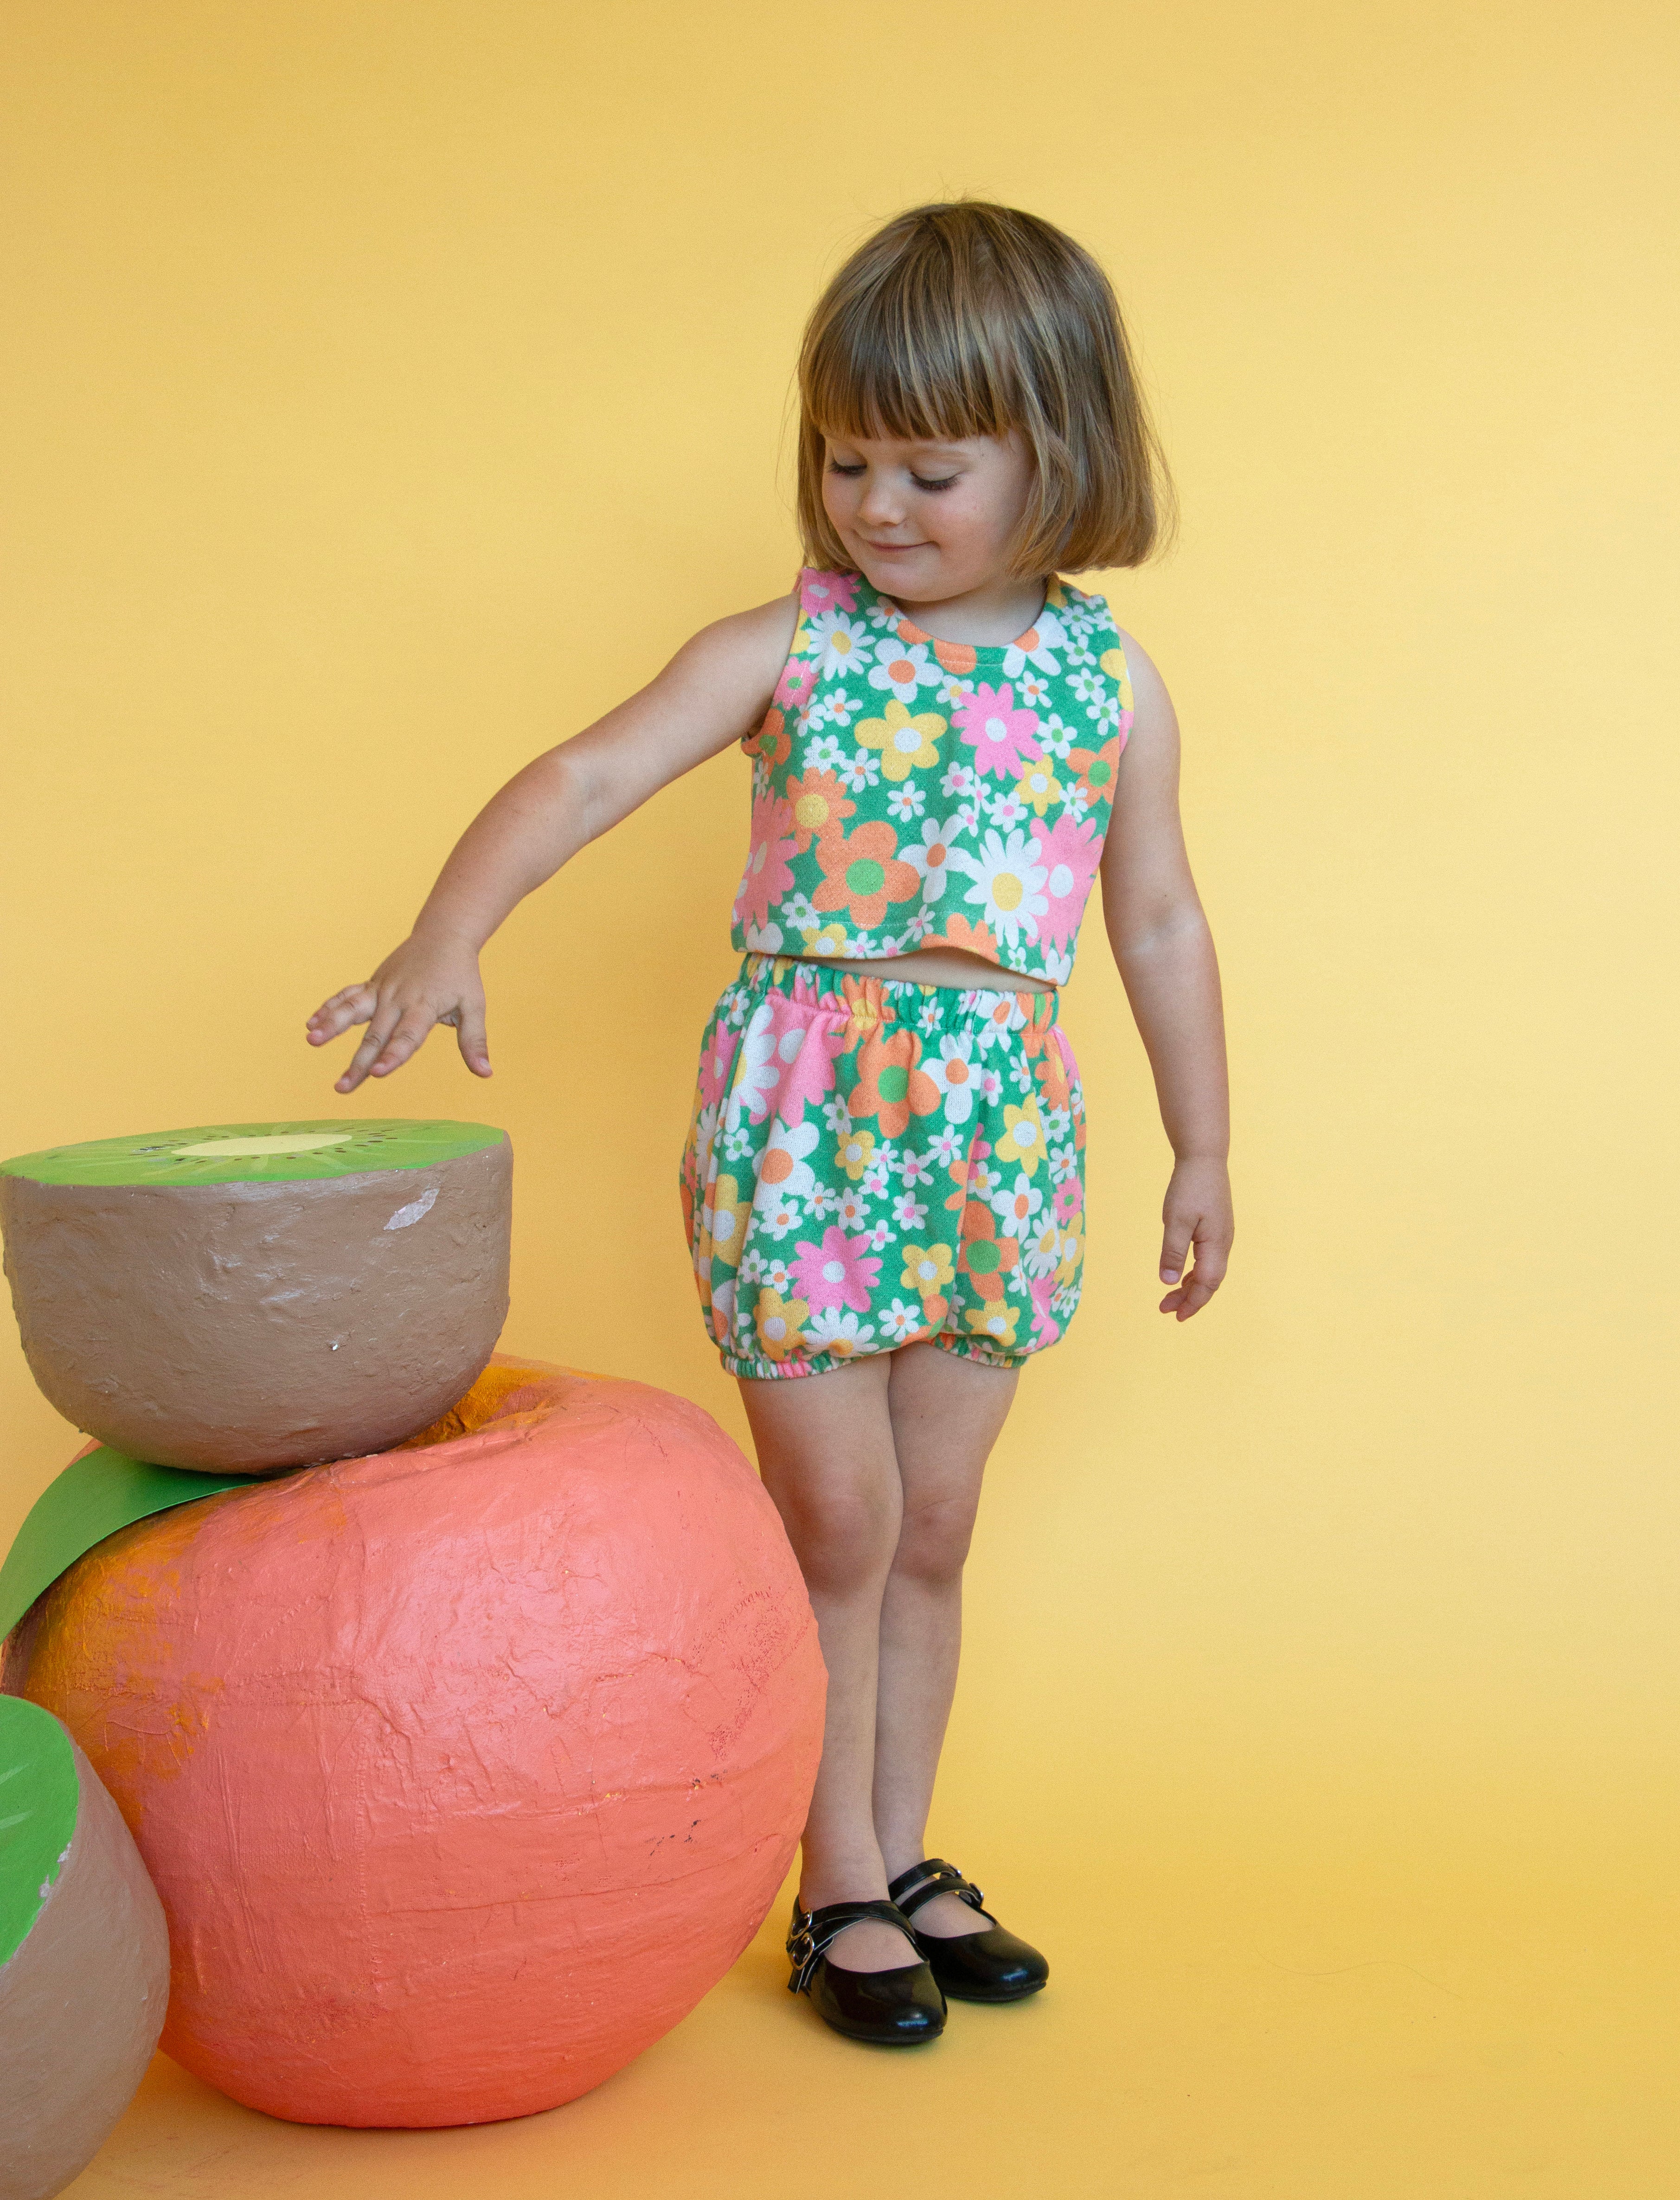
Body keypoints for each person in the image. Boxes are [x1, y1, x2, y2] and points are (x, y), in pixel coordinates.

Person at [306, 200, 1232, 2048]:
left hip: (996, 1141)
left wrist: (1209, 1146)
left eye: (929, 466)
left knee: (939, 1520)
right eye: (844, 458)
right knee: (839, 1514)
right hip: (809, 1124)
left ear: (1061, 455)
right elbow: (589, 768)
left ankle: (898, 1845)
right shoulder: (789, 649)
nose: (876, 503)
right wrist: (448, 928)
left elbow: (1157, 918)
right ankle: (834, 1887)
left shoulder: (1106, 685)